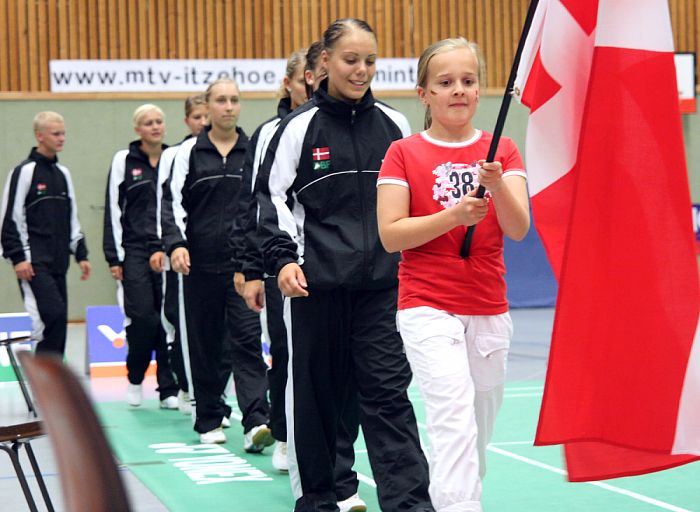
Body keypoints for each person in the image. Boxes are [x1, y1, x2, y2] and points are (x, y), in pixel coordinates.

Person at [256, 18, 433, 512]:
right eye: (350, 60)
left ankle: (411, 505)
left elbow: (414, 200)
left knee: (389, 400)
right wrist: (283, 260)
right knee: (315, 404)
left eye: (370, 60)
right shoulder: (296, 129)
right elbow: (270, 201)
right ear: (326, 63)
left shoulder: (395, 126)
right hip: (314, 289)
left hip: (382, 290)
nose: (361, 70)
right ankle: (318, 501)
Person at [376, 37, 530, 512]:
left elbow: (518, 227)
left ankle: (456, 489)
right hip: (426, 304)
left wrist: (497, 184)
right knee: (453, 419)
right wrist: (452, 216)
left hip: (488, 305)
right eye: (445, 83)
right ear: (424, 94)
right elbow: (391, 235)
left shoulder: (501, 149)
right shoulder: (402, 152)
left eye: (468, 81)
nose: (458, 90)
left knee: (476, 429)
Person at [161, 78, 272, 448]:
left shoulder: (253, 152)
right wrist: (176, 244)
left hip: (243, 268)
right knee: (206, 345)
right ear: (207, 107)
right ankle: (209, 416)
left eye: (234, 100)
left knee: (247, 341)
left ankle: (256, 419)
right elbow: (170, 205)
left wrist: (254, 258)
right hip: (199, 268)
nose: (228, 106)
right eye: (220, 100)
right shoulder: (185, 153)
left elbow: (261, 206)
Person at [103, 104, 179, 409]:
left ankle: (168, 388)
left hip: (166, 249)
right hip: (133, 251)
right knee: (143, 319)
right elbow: (112, 208)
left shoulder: (173, 158)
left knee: (166, 321)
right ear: (138, 129)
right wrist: (114, 257)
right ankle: (135, 378)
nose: (155, 127)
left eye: (159, 122)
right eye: (148, 123)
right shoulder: (124, 161)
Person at [0, 111, 90, 355]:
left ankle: (51, 386)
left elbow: (72, 218)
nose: (62, 138)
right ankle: (43, 385)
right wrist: (18, 257)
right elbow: (9, 217)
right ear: (40, 136)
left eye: (63, 133)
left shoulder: (63, 174)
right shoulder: (24, 172)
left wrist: (81, 253)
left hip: (59, 262)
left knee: (58, 322)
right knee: (50, 317)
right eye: (56, 133)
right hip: (33, 263)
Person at [152, 93, 209, 415]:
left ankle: (204, 393)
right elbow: (166, 204)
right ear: (187, 120)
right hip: (182, 254)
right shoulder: (175, 155)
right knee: (177, 321)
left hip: (215, 257)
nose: (203, 122)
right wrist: (167, 246)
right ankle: (186, 388)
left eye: (206, 116)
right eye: (197, 117)